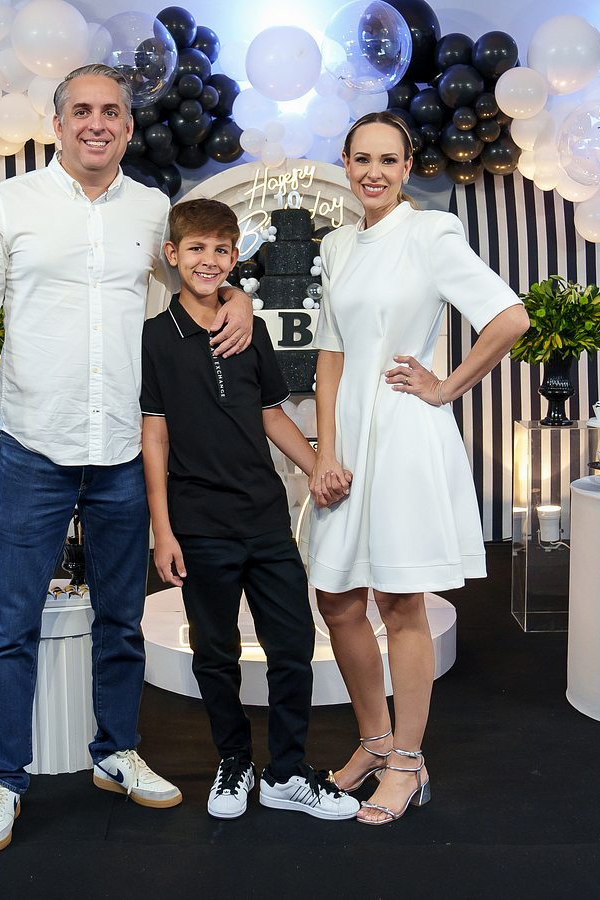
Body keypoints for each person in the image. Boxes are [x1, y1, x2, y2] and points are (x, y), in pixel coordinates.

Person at [0, 64, 255, 854]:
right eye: (81, 110)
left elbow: (199, 276)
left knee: (121, 620)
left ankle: (116, 751)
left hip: (121, 448)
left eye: (110, 111)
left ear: (128, 125)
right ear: (58, 122)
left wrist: (239, 296)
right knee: (12, 622)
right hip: (35, 445)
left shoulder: (150, 211)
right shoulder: (11, 203)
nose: (96, 123)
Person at [307, 112, 529, 825]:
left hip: (404, 435)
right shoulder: (338, 243)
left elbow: (510, 318)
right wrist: (326, 450)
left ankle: (407, 761)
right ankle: (374, 741)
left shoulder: (431, 233)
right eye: (362, 158)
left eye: (388, 160)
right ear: (346, 163)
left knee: (400, 602)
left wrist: (445, 387)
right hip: (348, 440)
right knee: (336, 599)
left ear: (407, 168)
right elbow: (331, 355)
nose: (373, 172)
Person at [140, 198, 359, 822]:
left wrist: (317, 465)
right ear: (173, 255)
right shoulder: (155, 338)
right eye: (196, 249)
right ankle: (233, 760)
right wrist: (162, 530)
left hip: (264, 516)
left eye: (221, 250)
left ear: (235, 256)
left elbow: (270, 413)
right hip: (198, 521)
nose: (208, 260)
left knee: (292, 643)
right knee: (215, 652)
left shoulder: (251, 328)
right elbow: (154, 437)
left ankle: (286, 772)